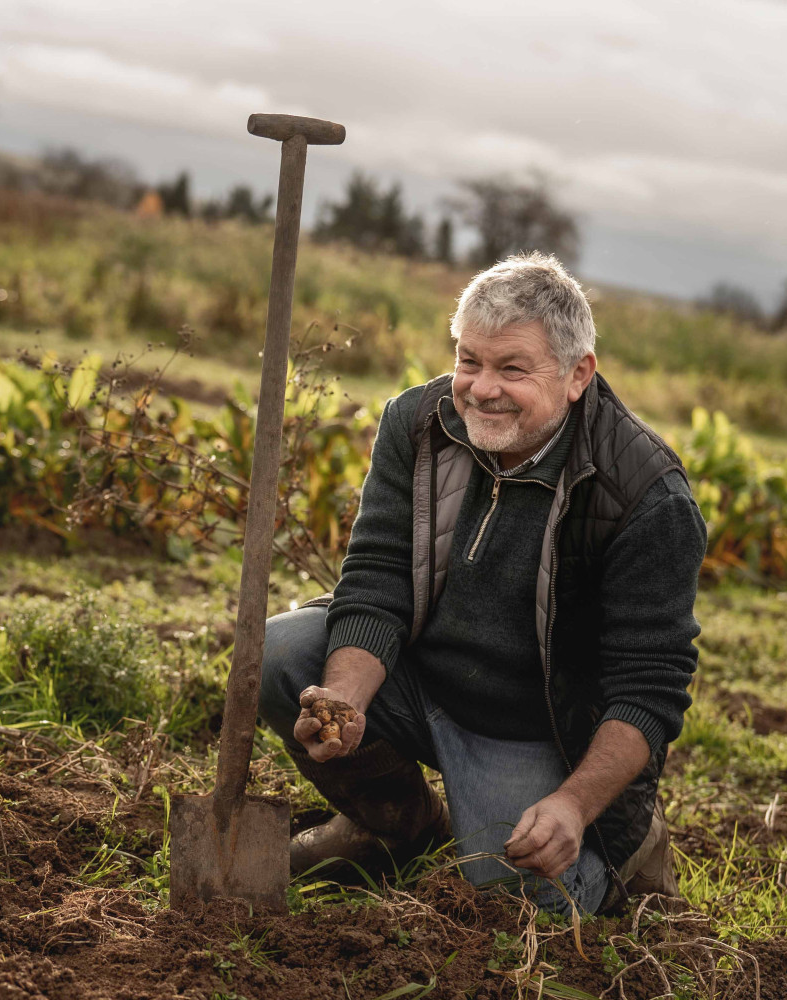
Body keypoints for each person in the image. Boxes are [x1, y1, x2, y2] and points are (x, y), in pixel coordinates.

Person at [259, 252, 706, 914]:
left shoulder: (643, 496)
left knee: (524, 900)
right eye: (469, 360)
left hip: (534, 730)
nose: (480, 388)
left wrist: (573, 806)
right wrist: (347, 699)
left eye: (512, 369)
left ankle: (627, 847)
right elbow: (378, 578)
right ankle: (396, 831)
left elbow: (648, 688)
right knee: (277, 656)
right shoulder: (417, 424)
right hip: (419, 678)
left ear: (578, 374)